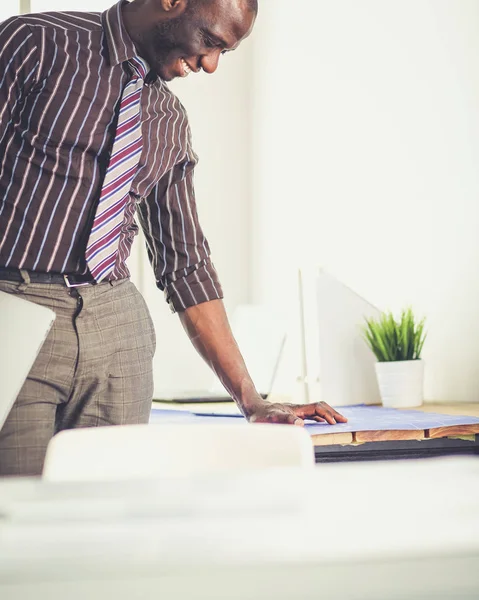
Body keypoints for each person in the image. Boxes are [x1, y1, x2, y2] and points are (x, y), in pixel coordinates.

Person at [0, 0, 346, 477]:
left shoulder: (168, 119)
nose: (210, 65)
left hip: (116, 329)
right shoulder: (35, 44)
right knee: (16, 514)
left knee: (109, 520)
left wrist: (252, 400)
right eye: (211, 41)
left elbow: (186, 264)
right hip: (15, 307)